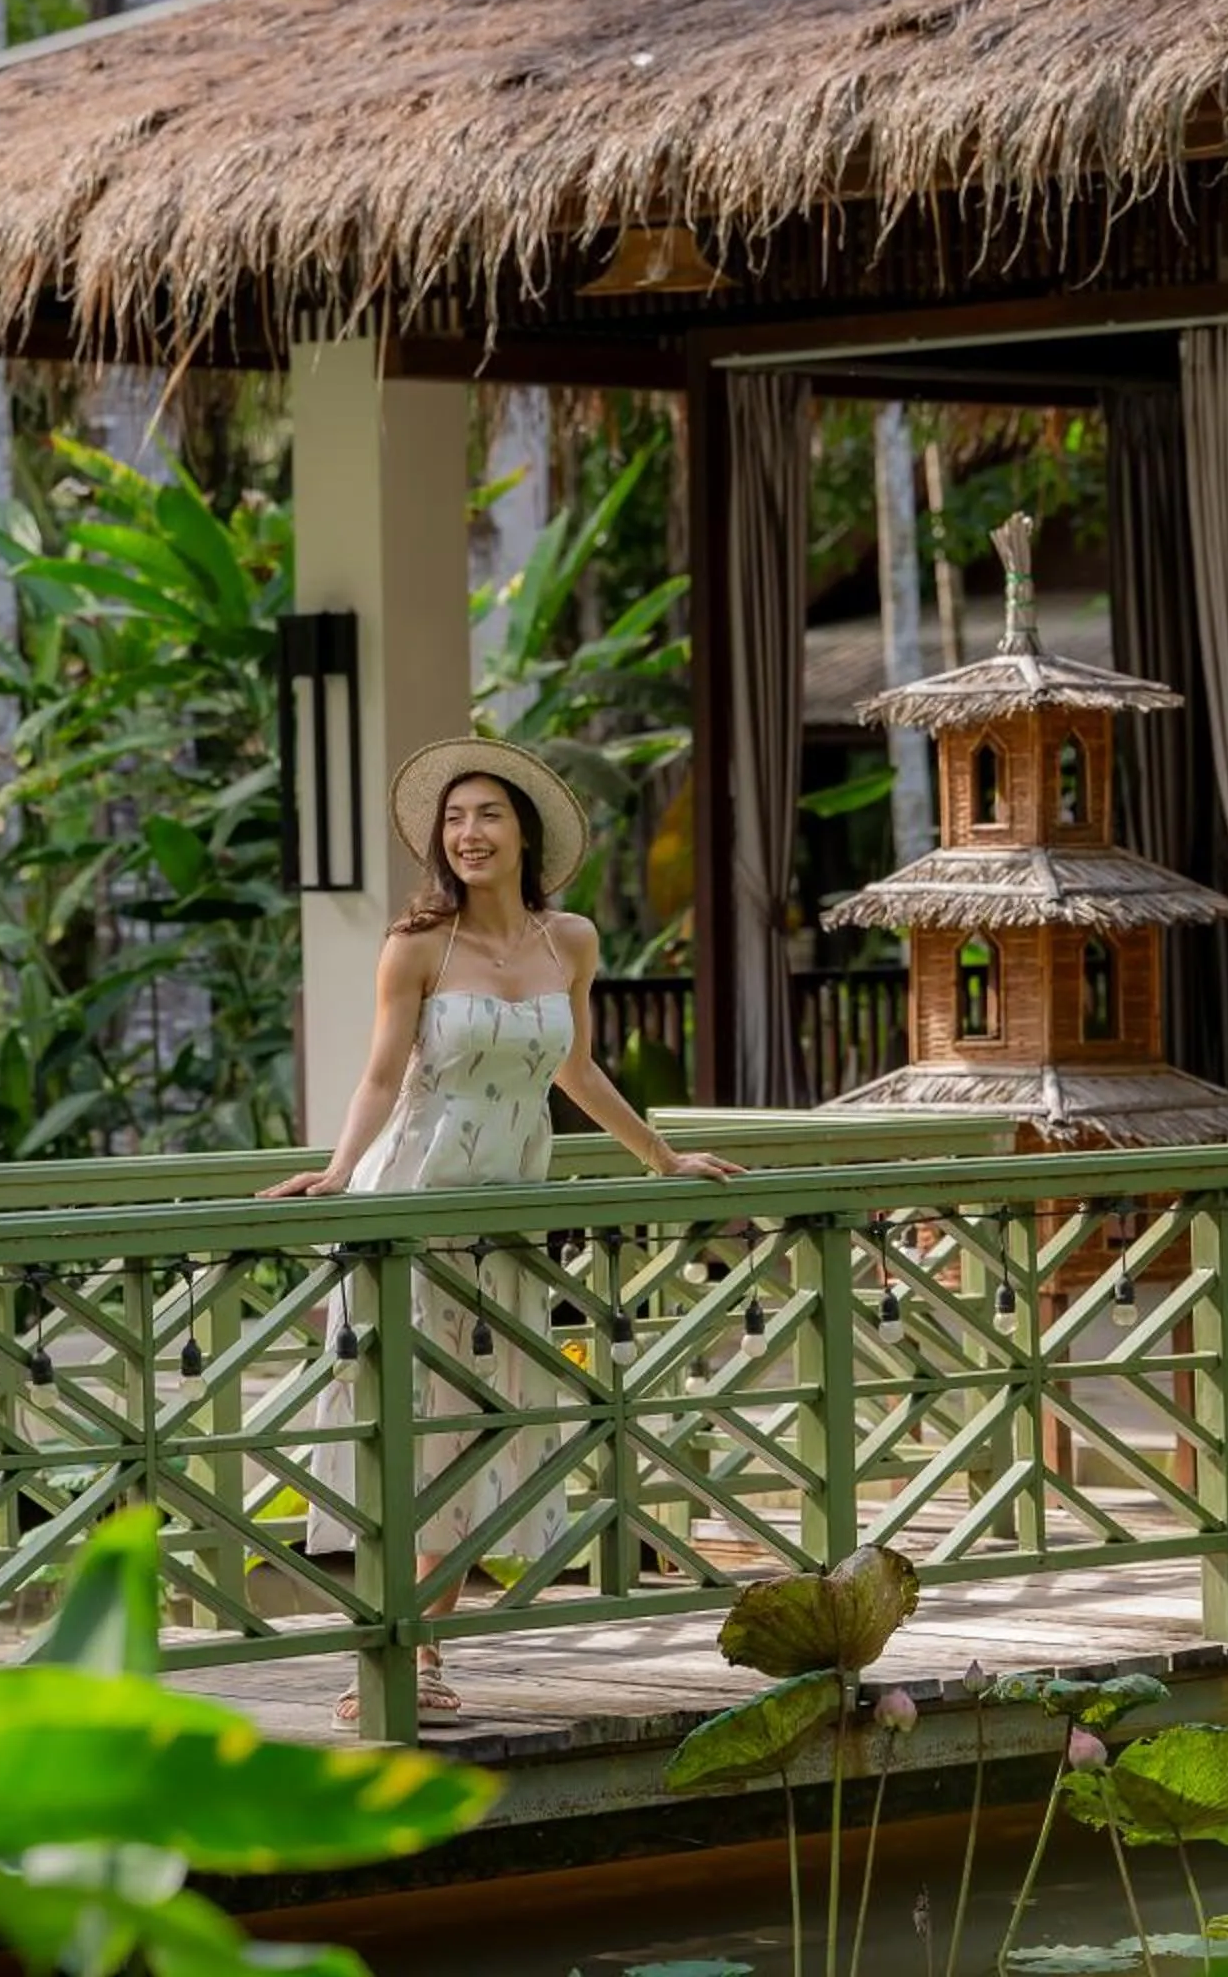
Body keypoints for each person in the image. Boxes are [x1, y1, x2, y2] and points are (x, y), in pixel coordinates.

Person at [261, 737, 742, 1727]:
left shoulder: (569, 941)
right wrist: (341, 1171)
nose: (468, 833)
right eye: (454, 818)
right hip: (417, 1203)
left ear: (525, 831)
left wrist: (661, 1156)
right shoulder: (418, 944)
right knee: (406, 1430)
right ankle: (385, 1652)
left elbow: (577, 1070)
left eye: (487, 814)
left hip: (511, 1215)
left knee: (477, 1430)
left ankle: (427, 1650)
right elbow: (383, 1076)